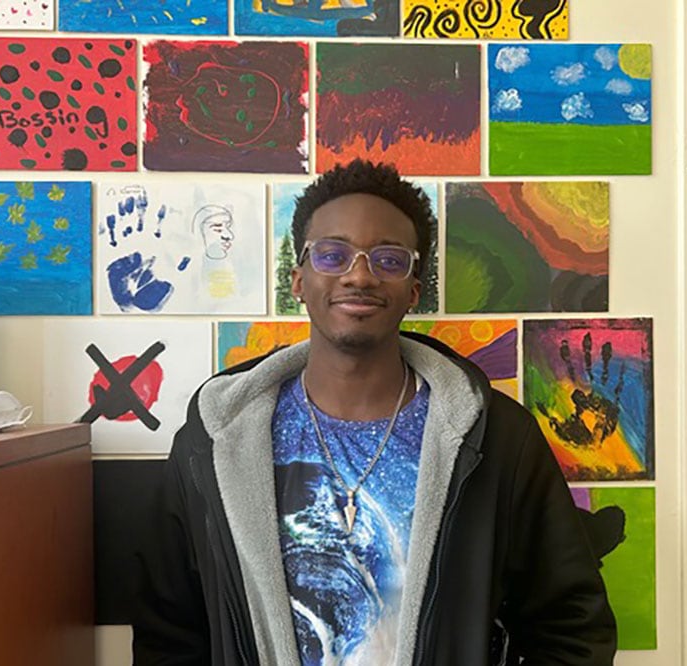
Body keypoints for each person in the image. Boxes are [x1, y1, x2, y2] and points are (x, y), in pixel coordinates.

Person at [131, 159, 616, 665]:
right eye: (332, 254)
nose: (358, 275)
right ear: (297, 279)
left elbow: (571, 625)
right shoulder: (215, 442)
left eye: (387, 259)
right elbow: (169, 627)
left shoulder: (496, 438)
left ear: (413, 289)